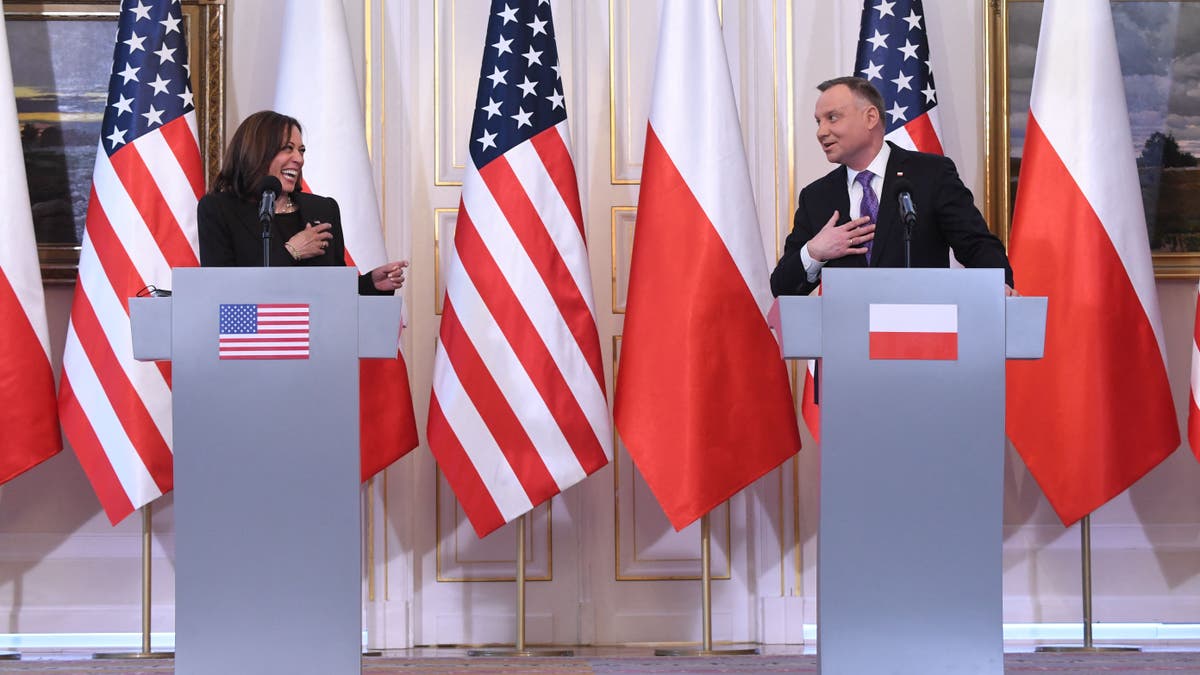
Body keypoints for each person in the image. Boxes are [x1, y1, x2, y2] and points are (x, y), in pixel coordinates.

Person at [770, 76, 1014, 297]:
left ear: (871, 117)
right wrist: (814, 251)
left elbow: (976, 245)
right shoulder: (817, 197)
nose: (821, 132)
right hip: (848, 341)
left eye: (832, 118)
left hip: (921, 337)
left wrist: (998, 286)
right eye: (818, 122)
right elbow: (782, 287)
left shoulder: (931, 175)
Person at [198, 110, 407, 295]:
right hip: (250, 334)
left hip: (317, 334)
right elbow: (222, 291)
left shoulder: (324, 209)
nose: (299, 159)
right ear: (257, 151)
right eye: (288, 148)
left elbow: (335, 291)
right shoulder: (217, 209)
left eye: (301, 150)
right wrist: (291, 251)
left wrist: (370, 284)